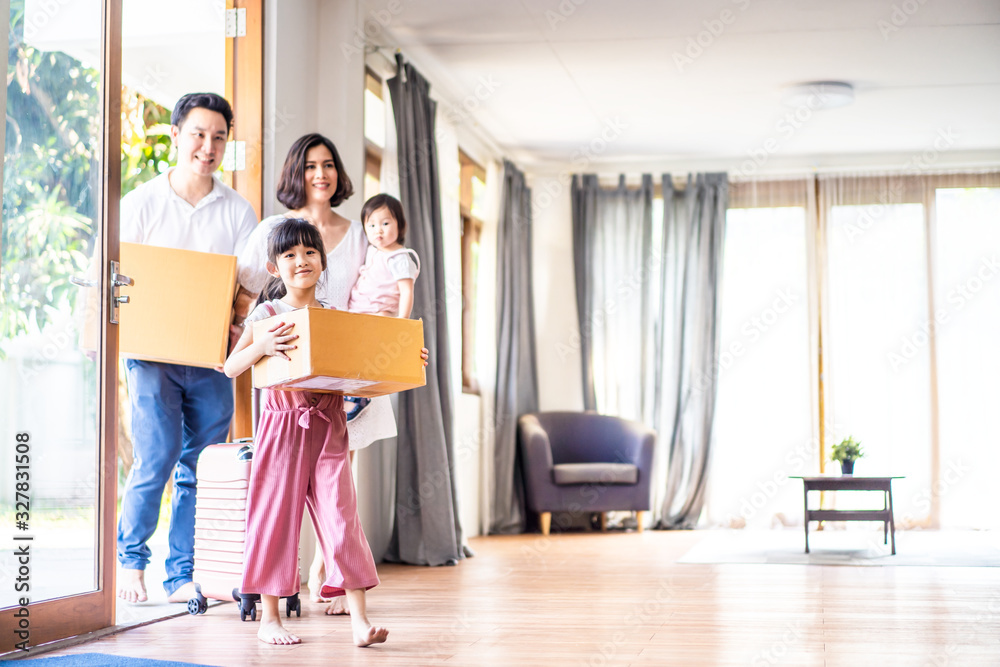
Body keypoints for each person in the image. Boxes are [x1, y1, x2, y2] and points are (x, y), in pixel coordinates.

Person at [237, 133, 404, 613]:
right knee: (283, 496)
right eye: (310, 165)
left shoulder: (360, 231)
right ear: (297, 172)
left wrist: (384, 354)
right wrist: (255, 342)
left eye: (329, 164)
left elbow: (375, 292)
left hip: (341, 370)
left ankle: (327, 579)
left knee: (337, 492)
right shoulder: (277, 230)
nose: (321, 174)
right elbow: (249, 290)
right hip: (287, 382)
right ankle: (281, 593)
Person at [117, 92, 258, 604]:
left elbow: (247, 291)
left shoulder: (239, 213)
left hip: (212, 359)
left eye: (219, 137)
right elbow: (114, 278)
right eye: (199, 134)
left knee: (201, 466)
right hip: (152, 356)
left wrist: (242, 333)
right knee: (155, 458)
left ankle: (181, 576)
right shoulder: (139, 204)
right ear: (176, 135)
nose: (208, 146)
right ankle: (130, 562)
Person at [224, 218, 387, 647]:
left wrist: (407, 358)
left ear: (322, 259)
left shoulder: (335, 316)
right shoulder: (267, 313)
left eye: (310, 252)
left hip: (330, 425)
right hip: (282, 424)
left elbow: (364, 372)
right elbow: (230, 366)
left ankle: (358, 621)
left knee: (342, 518)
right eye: (290, 254)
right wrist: (261, 346)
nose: (302, 260)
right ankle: (270, 617)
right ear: (274, 267)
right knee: (276, 518)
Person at [348, 194, 420, 318]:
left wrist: (402, 320)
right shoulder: (372, 250)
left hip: (382, 311)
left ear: (400, 225)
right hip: (357, 310)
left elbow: (406, 291)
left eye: (385, 224)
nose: (378, 230)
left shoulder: (399, 258)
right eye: (372, 225)